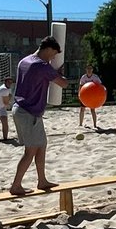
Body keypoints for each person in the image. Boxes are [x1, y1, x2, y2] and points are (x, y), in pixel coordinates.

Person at [9, 36, 70, 194]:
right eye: (54, 54)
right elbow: (63, 83)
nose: (54, 57)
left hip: (21, 110)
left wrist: (52, 72)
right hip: (29, 113)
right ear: (48, 49)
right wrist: (58, 74)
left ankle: (42, 181)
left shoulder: (25, 61)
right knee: (30, 151)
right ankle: (16, 185)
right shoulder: (42, 66)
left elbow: (36, 78)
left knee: (41, 146)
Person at [77, 63, 104, 130]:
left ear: (92, 69)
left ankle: (95, 125)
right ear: (86, 69)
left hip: (93, 96)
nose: (89, 70)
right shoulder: (83, 77)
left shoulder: (95, 77)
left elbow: (100, 85)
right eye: (88, 68)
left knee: (92, 110)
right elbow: (80, 86)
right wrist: (79, 94)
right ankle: (80, 124)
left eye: (90, 68)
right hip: (84, 95)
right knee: (82, 109)